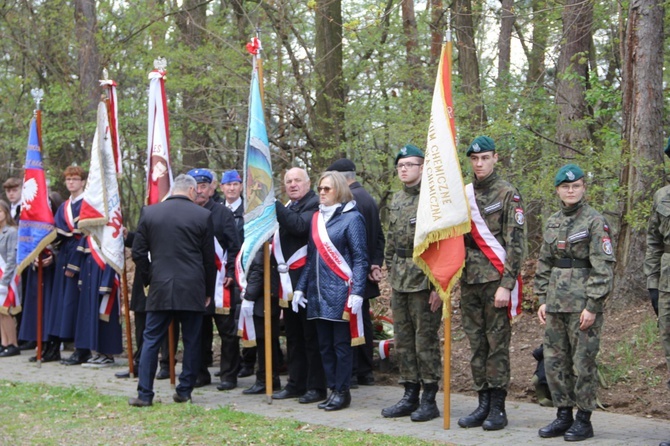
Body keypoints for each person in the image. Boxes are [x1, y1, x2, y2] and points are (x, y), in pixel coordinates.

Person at [535, 164, 614, 441]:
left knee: (583, 363)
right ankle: (563, 415)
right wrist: (542, 298)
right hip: (555, 304)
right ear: (558, 190)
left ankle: (583, 419)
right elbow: (544, 261)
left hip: (582, 305)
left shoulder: (595, 221)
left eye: (576, 186)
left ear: (583, 188)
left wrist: (593, 305)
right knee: (555, 362)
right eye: (565, 187)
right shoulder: (552, 221)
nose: (571, 191)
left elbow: (603, 267)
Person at [129, 174, 216, 406]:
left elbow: (138, 252)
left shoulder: (150, 213)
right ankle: (185, 390)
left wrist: (150, 277)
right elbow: (209, 259)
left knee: (150, 340)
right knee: (192, 340)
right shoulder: (203, 215)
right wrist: (208, 289)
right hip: (192, 287)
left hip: (160, 286)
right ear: (190, 191)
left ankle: (144, 394)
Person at [458, 136, 526, 431]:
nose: (480, 163)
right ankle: (482, 402)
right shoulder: (463, 194)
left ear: (496, 158)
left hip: (494, 279)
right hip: (469, 279)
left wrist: (507, 284)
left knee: (497, 344)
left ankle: (498, 406)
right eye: (474, 159)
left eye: (485, 158)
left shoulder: (508, 193)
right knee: (476, 344)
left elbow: (516, 243)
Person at [294, 171, 368, 411]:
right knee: (323, 345)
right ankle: (331, 388)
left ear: (339, 191)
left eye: (327, 189)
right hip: (316, 294)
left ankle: (342, 391)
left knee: (340, 345)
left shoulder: (352, 218)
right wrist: (300, 288)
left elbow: (360, 259)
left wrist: (357, 291)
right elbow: (311, 257)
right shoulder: (316, 219)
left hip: (340, 292)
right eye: (320, 188)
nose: (322, 193)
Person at [381, 145, 442, 422]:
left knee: (424, 341)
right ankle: (409, 393)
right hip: (400, 280)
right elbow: (391, 242)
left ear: (422, 168)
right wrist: (391, 270)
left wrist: (439, 286)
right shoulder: (396, 199)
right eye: (400, 165)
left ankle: (429, 397)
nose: (404, 169)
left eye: (410, 164)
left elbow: (444, 247)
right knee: (404, 341)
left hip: (425, 279)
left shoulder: (434, 201)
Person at [267, 167, 326, 403]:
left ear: (308, 183)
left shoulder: (314, 204)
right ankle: (296, 383)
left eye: (297, 181)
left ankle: (316, 387)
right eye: (288, 181)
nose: (292, 185)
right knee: (293, 337)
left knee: (311, 338)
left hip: (308, 282)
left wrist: (274, 205)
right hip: (288, 283)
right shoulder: (289, 206)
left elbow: (300, 227)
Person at [326, 158, 385, 387]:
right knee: (363, 321)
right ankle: (364, 370)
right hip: (364, 270)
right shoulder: (368, 198)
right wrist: (375, 262)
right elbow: (380, 236)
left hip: (349, 273)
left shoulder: (349, 201)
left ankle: (352, 371)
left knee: (350, 321)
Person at [186, 169, 240, 390]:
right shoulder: (185, 212)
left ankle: (229, 375)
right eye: (196, 186)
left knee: (227, 331)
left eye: (204, 186)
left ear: (211, 188)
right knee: (198, 330)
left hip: (220, 281)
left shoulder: (221, 213)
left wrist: (230, 273)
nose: (200, 190)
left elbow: (234, 247)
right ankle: (200, 373)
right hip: (194, 280)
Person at [49, 166, 90, 365]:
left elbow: (89, 233)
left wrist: (76, 262)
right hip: (64, 254)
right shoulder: (65, 205)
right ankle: (56, 343)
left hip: (82, 255)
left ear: (82, 182)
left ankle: (82, 348)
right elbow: (56, 231)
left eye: (75, 179)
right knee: (62, 301)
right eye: (68, 179)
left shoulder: (89, 203)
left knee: (77, 302)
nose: (71, 183)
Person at [220, 169, 256, 380]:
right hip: (223, 272)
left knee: (246, 315)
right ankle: (233, 362)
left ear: (241, 187)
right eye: (228, 184)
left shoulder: (249, 209)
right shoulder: (216, 210)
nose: (231, 188)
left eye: (235, 184)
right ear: (222, 187)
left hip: (247, 270)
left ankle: (249, 360)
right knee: (229, 319)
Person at [0, 200, 20, 357]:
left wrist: (4, 281)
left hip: (7, 277)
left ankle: (13, 344)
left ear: (6, 213)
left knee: (6, 311)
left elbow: (12, 258)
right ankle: (4, 342)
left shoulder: (12, 231)